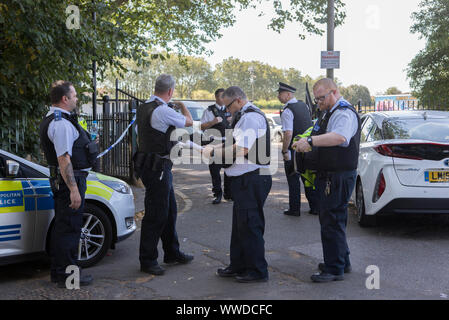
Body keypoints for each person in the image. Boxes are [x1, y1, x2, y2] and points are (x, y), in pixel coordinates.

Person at [292, 78, 361, 283]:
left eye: (321, 98)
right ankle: (340, 261)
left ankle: (334, 268)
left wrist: (311, 141)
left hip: (337, 175)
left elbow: (340, 137)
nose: (318, 102)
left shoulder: (343, 112)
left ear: (334, 92)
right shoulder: (330, 111)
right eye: (316, 99)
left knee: (331, 221)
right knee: (334, 220)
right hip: (332, 175)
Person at [203, 86, 272, 283]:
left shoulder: (250, 117)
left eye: (228, 107)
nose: (227, 111)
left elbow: (241, 149)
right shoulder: (245, 116)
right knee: (241, 226)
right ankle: (239, 264)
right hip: (245, 179)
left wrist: (215, 153)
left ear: (239, 100)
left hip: (251, 178)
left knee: (250, 225)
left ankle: (257, 270)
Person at [39, 80, 97, 288]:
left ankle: (59, 272)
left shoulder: (55, 119)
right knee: (70, 229)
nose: (76, 99)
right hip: (69, 182)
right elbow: (64, 159)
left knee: (63, 228)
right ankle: (69, 277)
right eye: (73, 96)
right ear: (64, 99)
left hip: (62, 181)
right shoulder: (60, 123)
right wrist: (74, 189)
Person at [136, 74, 194, 276]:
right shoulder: (162, 110)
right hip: (157, 167)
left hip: (152, 164)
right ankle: (148, 260)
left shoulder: (145, 106)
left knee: (170, 210)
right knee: (156, 213)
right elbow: (189, 122)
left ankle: (172, 252)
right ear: (170, 91)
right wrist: (182, 105)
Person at [278, 82, 318, 216]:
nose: (278, 96)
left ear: (288, 95)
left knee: (293, 179)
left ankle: (294, 209)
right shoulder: (303, 105)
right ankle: (315, 207)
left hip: (293, 150)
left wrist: (284, 151)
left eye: (280, 94)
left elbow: (288, 133)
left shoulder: (287, 111)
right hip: (306, 148)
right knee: (307, 178)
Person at [200, 88, 232, 204]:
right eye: (221, 96)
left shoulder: (230, 109)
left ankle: (228, 194)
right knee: (215, 170)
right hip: (214, 143)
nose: (223, 99)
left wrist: (232, 120)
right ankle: (217, 194)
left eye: (225, 96)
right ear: (216, 97)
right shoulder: (209, 111)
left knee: (229, 169)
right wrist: (212, 122)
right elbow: (202, 127)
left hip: (228, 142)